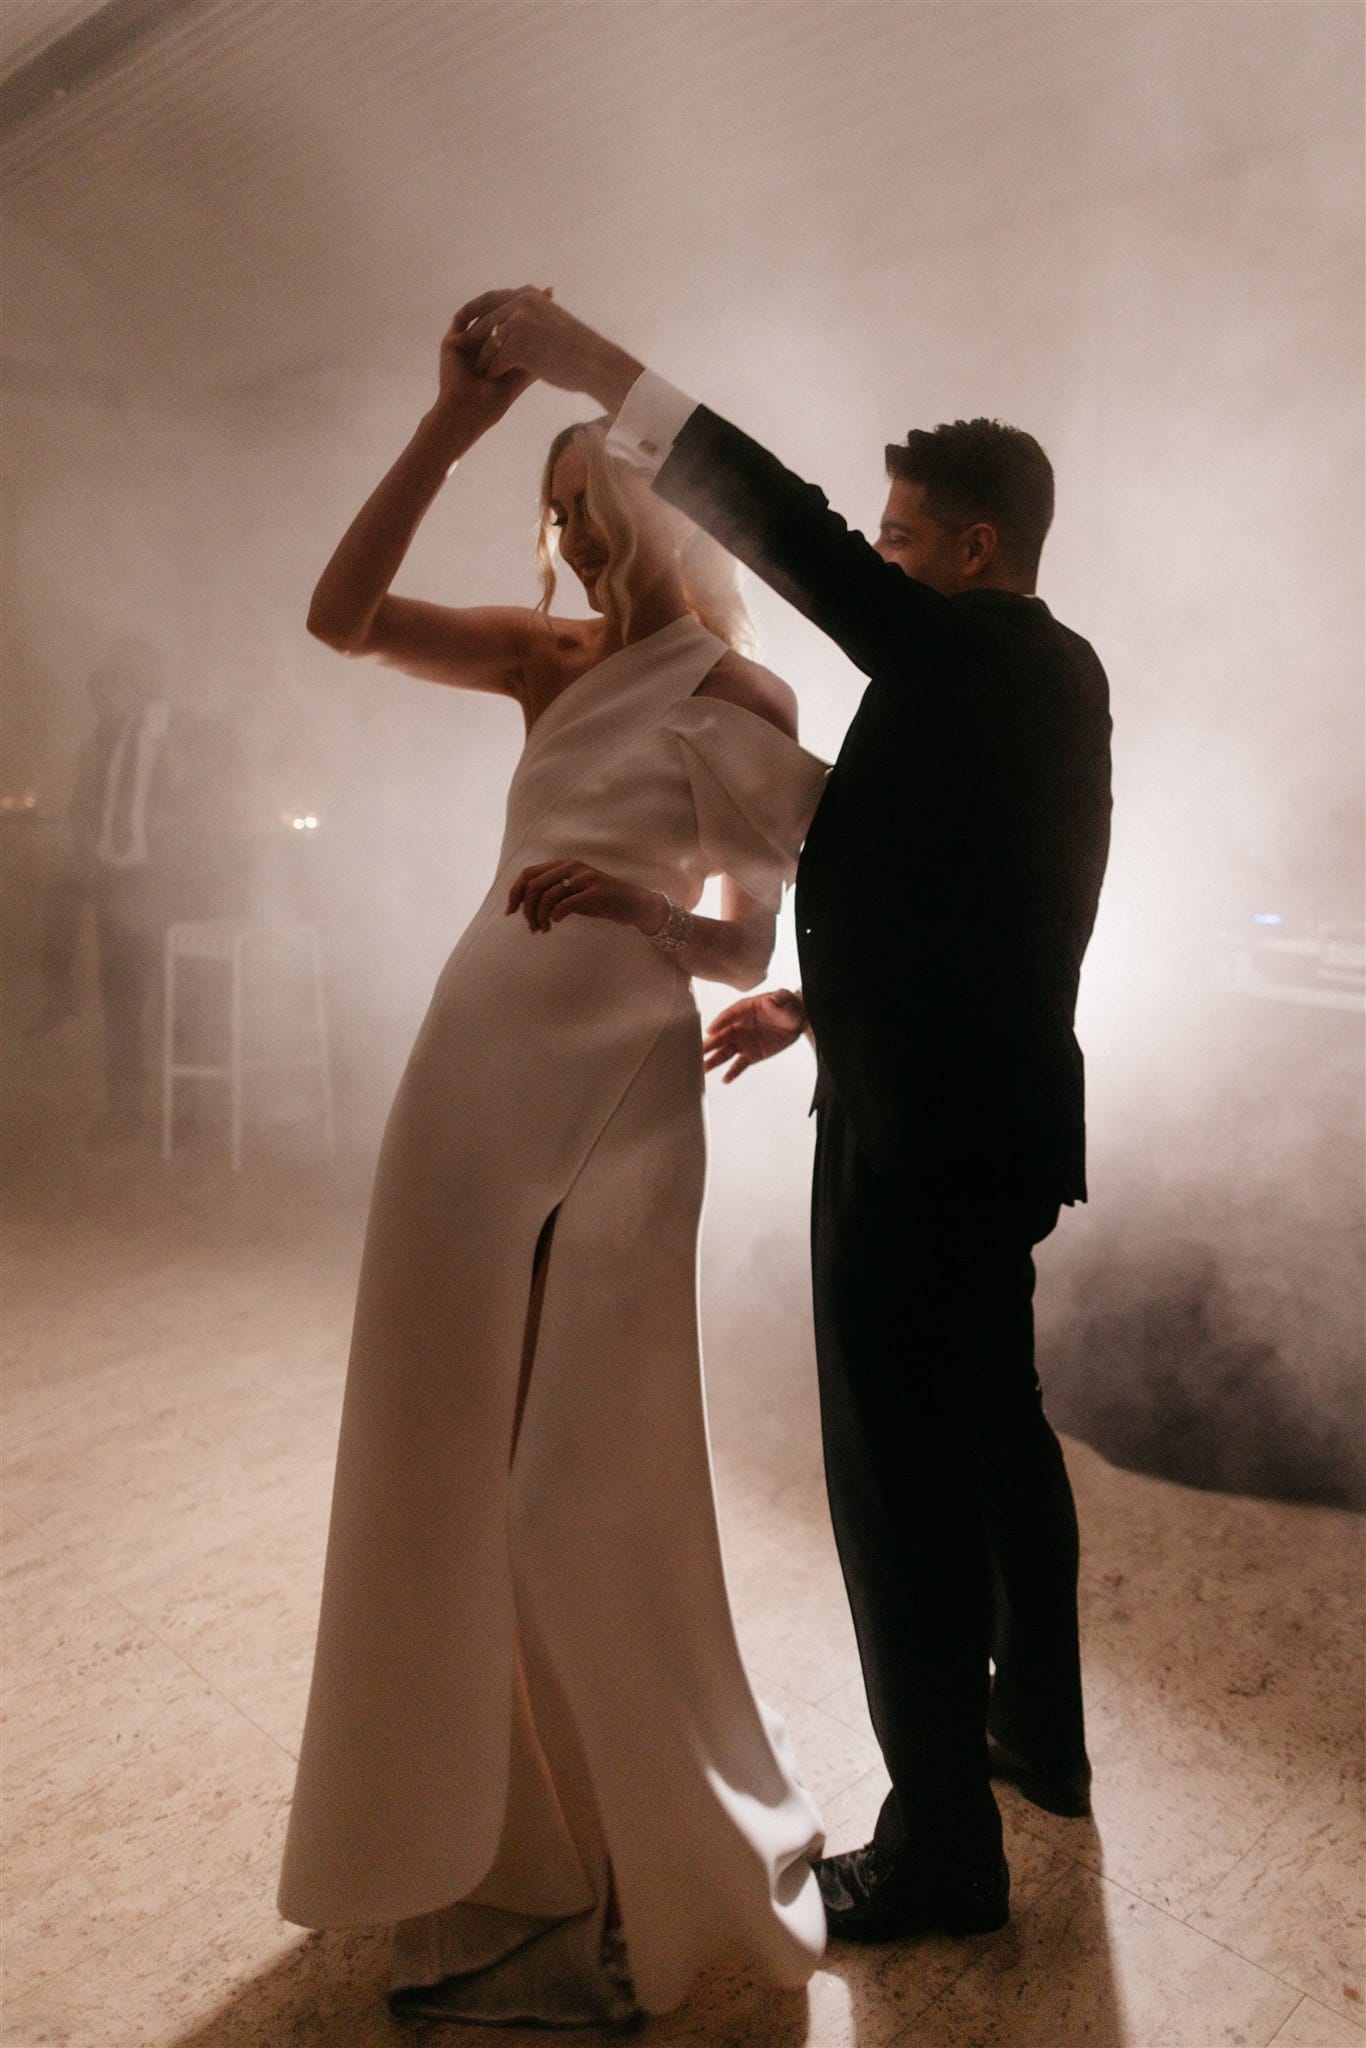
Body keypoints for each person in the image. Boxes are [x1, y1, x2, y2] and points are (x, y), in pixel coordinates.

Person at [453, 287, 1112, 1944]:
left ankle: (941, 1848)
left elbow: (782, 519)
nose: (874, 559)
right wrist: (817, 999)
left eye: (901, 539)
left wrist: (588, 361)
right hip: (986, 1111)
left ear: (974, 548)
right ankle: (1038, 1733)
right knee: (998, 1432)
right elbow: (986, 908)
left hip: (916, 1138)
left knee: (896, 1486)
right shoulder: (1046, 678)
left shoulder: (965, 650)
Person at [276, 313, 830, 2026]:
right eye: (562, 518)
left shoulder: (744, 694)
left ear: (668, 507)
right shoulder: (545, 658)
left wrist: (645, 907)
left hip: (629, 1085)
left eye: (600, 508)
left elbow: (743, 950)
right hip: (475, 1061)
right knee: (442, 1453)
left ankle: (639, 1872)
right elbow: (341, 617)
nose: (582, 543)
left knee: (578, 1484)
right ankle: (488, 1861)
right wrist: (446, 430)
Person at [34, 639, 246, 1144]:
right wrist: (90, 849)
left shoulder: (198, 733)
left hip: (178, 887)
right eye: (117, 675)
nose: (123, 686)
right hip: (119, 885)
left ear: (156, 679)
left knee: (182, 1004)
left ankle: (186, 1116)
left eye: (135, 675)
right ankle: (124, 1113)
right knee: (122, 1005)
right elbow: (86, 803)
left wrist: (179, 773)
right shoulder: (104, 738)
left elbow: (222, 804)